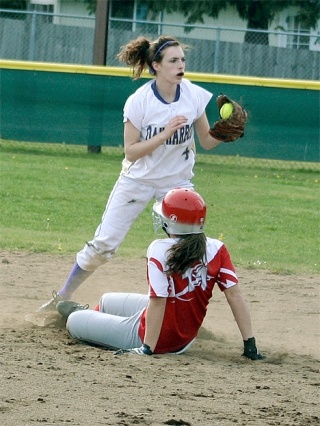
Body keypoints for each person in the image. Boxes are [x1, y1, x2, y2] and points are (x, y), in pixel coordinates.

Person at [37, 35, 242, 313]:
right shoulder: (140, 101)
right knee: (103, 245)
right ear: (156, 65)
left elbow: (206, 141)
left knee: (189, 247)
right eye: (173, 60)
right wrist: (166, 133)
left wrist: (226, 133)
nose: (180, 64)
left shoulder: (193, 94)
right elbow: (131, 152)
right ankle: (62, 296)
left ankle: (179, 311)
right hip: (138, 181)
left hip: (177, 184)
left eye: (182, 59)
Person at [56, 188, 264, 360]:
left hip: (151, 337)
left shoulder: (160, 249)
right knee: (106, 300)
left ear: (171, 222)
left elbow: (158, 300)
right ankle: (101, 320)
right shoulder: (217, 248)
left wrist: (147, 348)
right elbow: (234, 296)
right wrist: (250, 345)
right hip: (185, 337)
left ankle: (86, 318)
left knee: (74, 321)